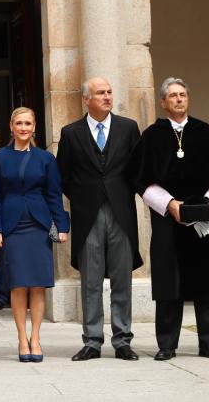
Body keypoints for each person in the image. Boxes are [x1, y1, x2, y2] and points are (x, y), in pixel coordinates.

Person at [129, 77, 209, 361]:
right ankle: (167, 345)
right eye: (172, 95)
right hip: (167, 220)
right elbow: (140, 181)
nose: (178, 99)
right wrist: (171, 204)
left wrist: (206, 206)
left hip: (203, 219)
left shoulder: (205, 132)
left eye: (183, 95)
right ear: (163, 102)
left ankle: (208, 343)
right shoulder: (152, 136)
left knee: (207, 282)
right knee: (168, 283)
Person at [58, 77, 142, 362]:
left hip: (121, 213)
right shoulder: (70, 133)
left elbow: (138, 170)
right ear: (86, 99)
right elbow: (64, 177)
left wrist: (119, 194)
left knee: (122, 279)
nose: (107, 97)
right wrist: (85, 198)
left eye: (109, 92)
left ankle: (123, 341)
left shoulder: (128, 128)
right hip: (87, 215)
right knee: (91, 281)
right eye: (100, 93)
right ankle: (92, 341)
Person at [0, 107, 69, 363]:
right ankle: (22, 338)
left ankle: (36, 338)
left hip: (38, 225)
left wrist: (62, 226)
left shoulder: (46, 159)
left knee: (38, 285)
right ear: (11, 126)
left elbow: (54, 194)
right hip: (12, 226)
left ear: (34, 127)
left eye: (28, 123)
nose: (23, 128)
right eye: (19, 123)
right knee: (18, 285)